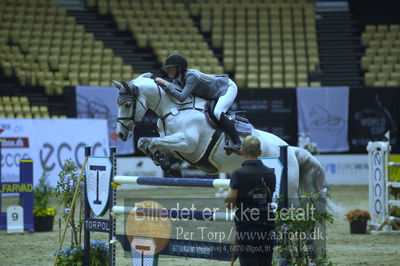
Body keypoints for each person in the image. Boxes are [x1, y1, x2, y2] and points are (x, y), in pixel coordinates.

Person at [154, 53, 241, 153]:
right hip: (213, 94)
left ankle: (237, 142)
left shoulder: (191, 76)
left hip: (226, 88)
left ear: (179, 68)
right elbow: (173, 93)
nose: (167, 70)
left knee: (217, 112)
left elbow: (181, 98)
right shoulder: (177, 81)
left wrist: (166, 84)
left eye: (170, 68)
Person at [225, 136, 276, 266]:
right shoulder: (270, 173)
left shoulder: (238, 174)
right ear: (260, 152)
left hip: (247, 228)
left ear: (242, 152)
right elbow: (269, 196)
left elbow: (230, 204)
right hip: (267, 227)